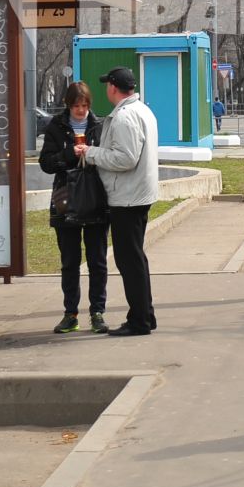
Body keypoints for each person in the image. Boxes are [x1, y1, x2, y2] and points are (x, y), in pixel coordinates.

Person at [77, 66, 159, 336]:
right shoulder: (143, 110)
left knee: (129, 261)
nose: (105, 89)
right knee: (136, 259)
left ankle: (139, 321)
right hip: (138, 193)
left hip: (127, 197)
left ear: (113, 87)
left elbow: (125, 158)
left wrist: (91, 153)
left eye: (106, 85)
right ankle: (145, 315)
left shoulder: (124, 117)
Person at [38, 82, 109, 335]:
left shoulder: (98, 126)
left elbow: (109, 158)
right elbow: (45, 163)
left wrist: (91, 153)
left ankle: (98, 312)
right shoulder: (56, 126)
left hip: (95, 198)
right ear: (68, 105)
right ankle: (71, 313)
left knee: (97, 261)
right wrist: (69, 153)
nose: (81, 110)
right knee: (70, 261)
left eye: (85, 105)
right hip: (65, 198)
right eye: (77, 106)